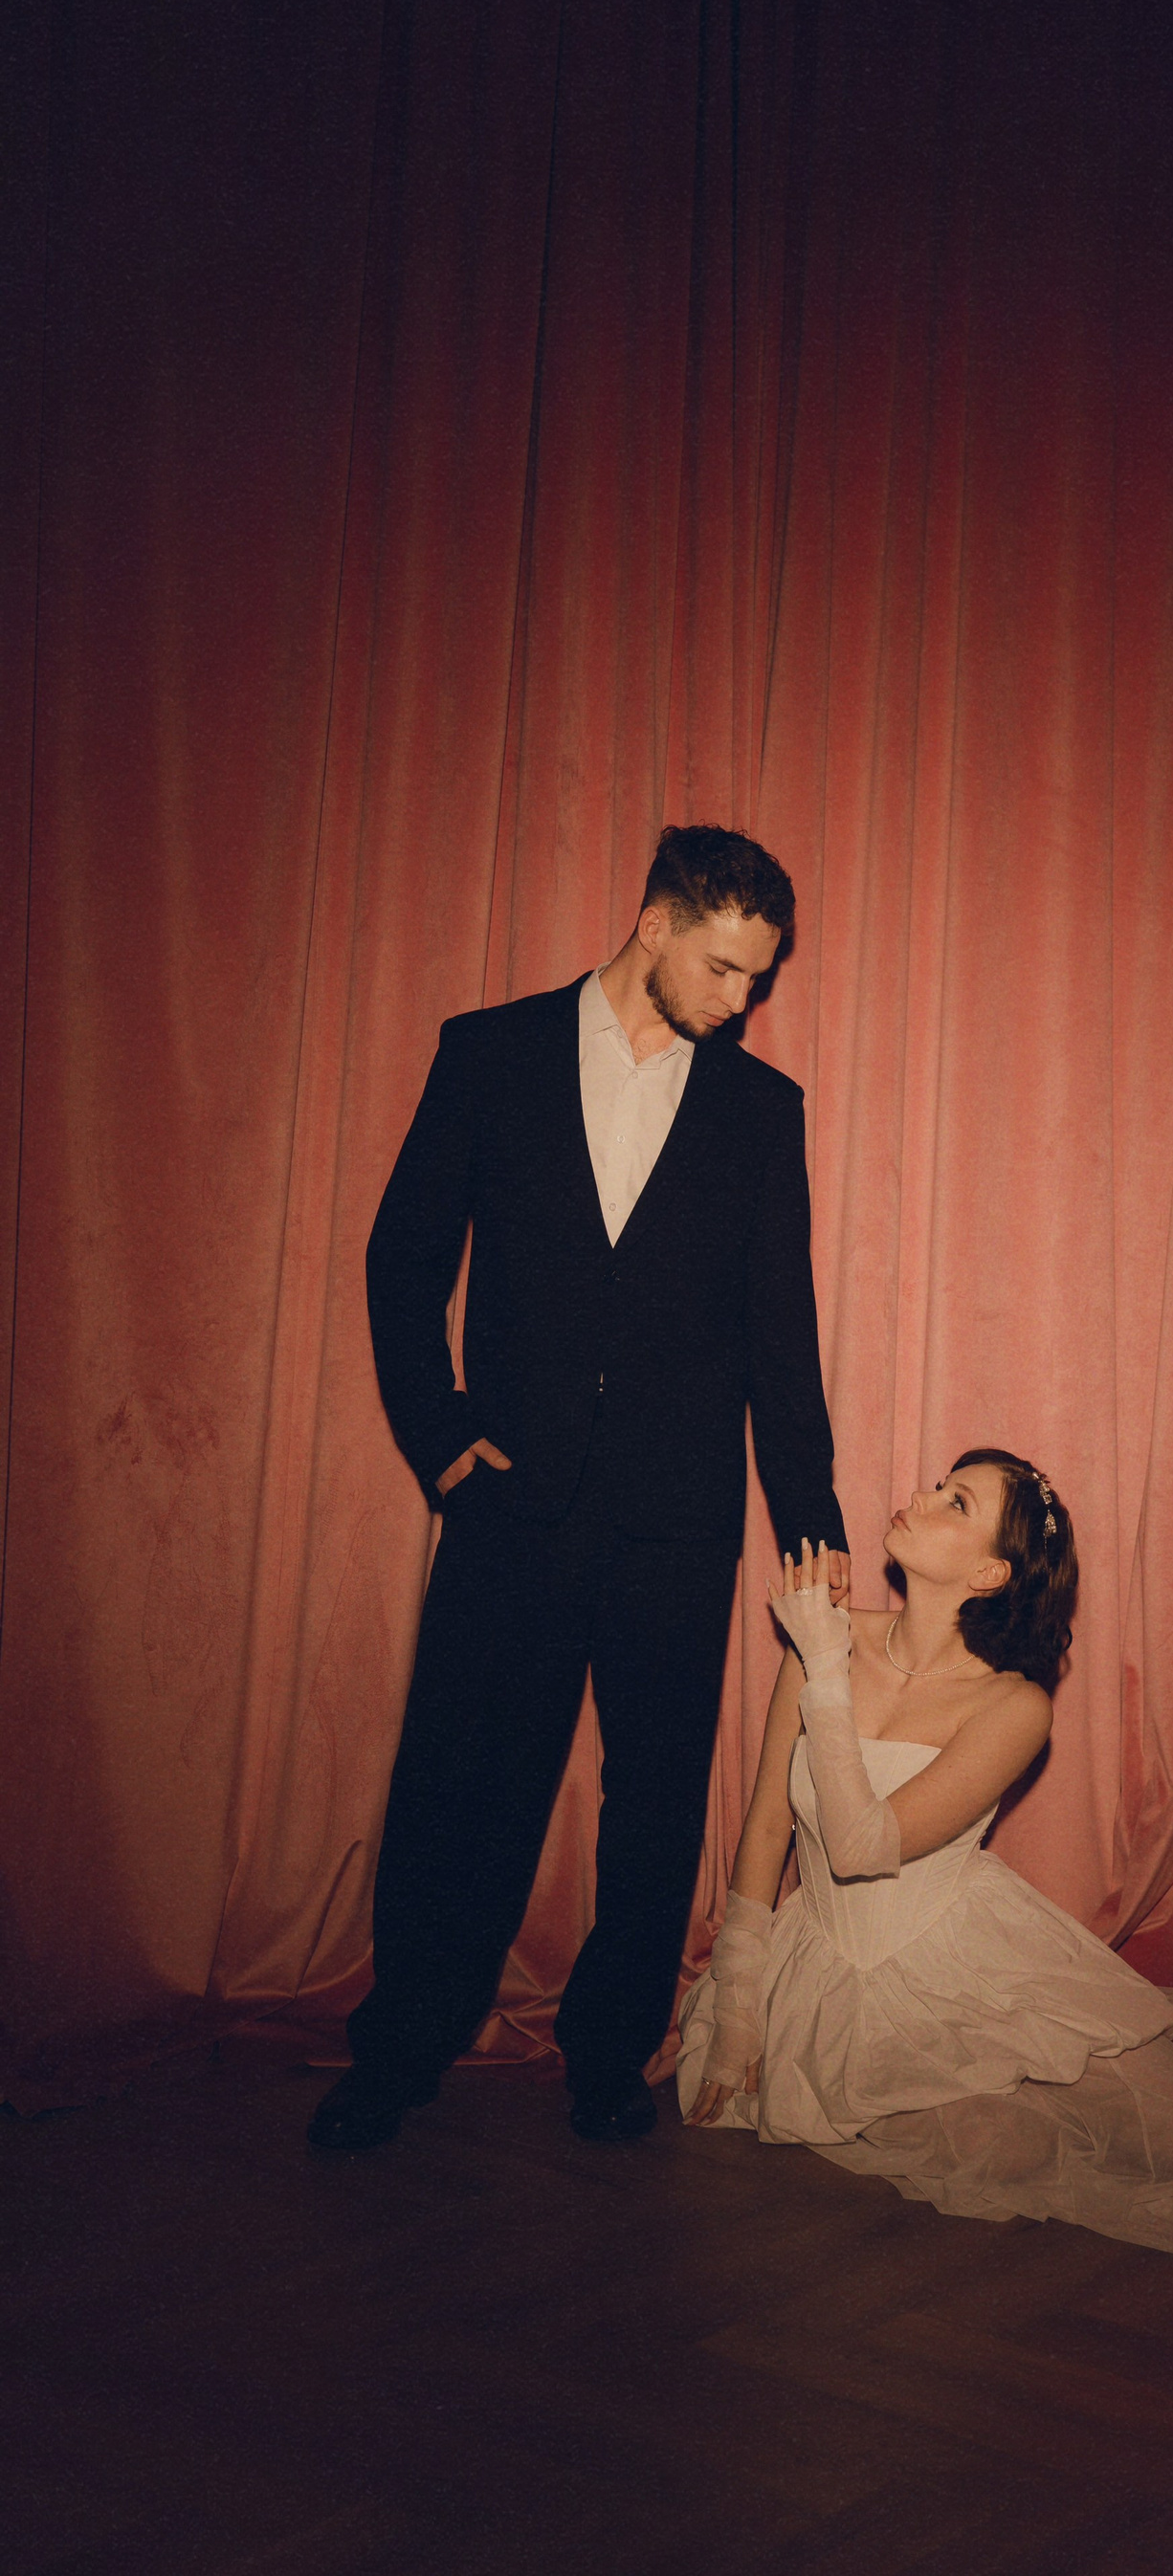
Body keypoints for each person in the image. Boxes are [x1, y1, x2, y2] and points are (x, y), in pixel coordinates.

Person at [310, 826, 850, 2153]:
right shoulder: (488, 1053)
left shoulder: (760, 1110)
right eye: (724, 967)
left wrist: (813, 1522)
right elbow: (401, 1260)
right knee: (460, 1785)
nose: (741, 998)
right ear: (655, 924)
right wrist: (442, 1440)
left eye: (759, 976)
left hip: (678, 1520)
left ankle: (609, 2059)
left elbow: (782, 1336)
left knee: (655, 1803)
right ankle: (401, 2051)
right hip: (510, 1501)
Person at [676, 1456, 1173, 2265]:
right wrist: (740, 2009)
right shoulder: (827, 1637)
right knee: (993, 2144)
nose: (918, 1498)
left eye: (955, 1502)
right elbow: (767, 1827)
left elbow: (859, 1846)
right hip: (819, 1963)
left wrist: (825, 1666)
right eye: (938, 1484)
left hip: (953, 1959)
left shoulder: (1015, 1706)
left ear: (990, 1571)